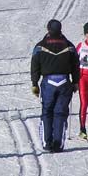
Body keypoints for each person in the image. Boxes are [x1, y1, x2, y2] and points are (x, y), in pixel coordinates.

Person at [30, 19, 80, 152]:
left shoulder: (40, 46)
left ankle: (47, 143)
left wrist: (35, 83)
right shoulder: (69, 46)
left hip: (48, 82)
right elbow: (76, 65)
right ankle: (58, 144)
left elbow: (34, 65)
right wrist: (76, 81)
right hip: (64, 82)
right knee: (60, 113)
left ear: (48, 30)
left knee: (47, 112)